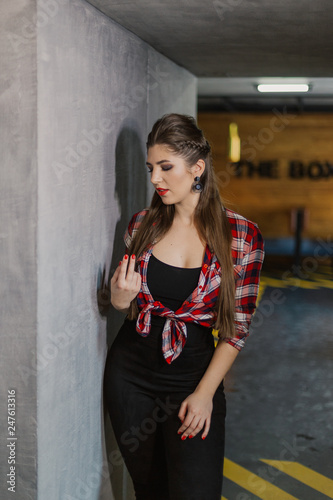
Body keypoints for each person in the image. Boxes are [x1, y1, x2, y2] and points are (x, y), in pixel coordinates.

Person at [104, 113, 264, 500]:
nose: (155, 178)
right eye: (150, 168)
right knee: (150, 489)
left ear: (197, 168)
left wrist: (205, 393)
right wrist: (119, 299)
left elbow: (236, 329)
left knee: (196, 491)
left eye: (165, 167)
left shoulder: (241, 235)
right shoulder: (142, 226)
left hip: (193, 377)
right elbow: (124, 304)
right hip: (130, 376)